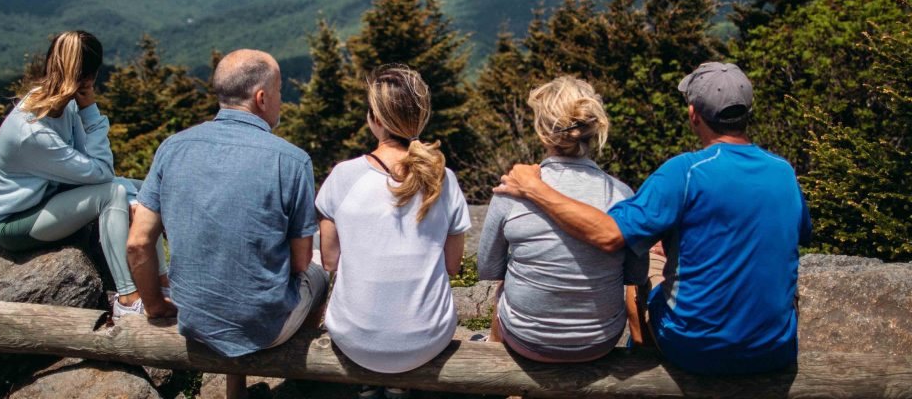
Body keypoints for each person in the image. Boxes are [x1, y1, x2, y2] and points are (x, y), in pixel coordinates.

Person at [495, 62, 812, 375]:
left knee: (643, 263)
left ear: (693, 115)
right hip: (774, 349)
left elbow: (609, 235)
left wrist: (535, 188)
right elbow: (791, 233)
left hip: (696, 348)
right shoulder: (783, 171)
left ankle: (644, 361)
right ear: (747, 112)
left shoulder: (685, 171)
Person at [127, 49, 327, 399]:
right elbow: (298, 263)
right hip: (266, 328)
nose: (282, 99)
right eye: (280, 91)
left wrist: (156, 305)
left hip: (194, 319)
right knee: (321, 269)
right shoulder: (292, 161)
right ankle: (304, 377)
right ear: (262, 98)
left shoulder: (172, 148)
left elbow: (138, 243)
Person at [0, 30, 168, 319]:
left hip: (52, 200)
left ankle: (162, 284)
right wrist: (91, 110)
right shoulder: (33, 132)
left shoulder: (61, 105)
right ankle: (127, 299)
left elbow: (92, 167)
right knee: (113, 194)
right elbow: (103, 173)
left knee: (146, 190)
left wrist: (137, 199)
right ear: (89, 78)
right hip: (16, 223)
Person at [316, 65, 471, 397]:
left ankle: (374, 386)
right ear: (421, 118)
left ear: (376, 119)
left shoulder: (343, 177)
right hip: (428, 338)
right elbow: (452, 265)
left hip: (355, 339)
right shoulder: (445, 180)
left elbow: (329, 261)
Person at [477, 76, 647, 362]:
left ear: (543, 134)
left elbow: (488, 268)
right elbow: (635, 274)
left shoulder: (512, 190)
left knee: (504, 285)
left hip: (527, 341)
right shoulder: (621, 194)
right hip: (600, 340)